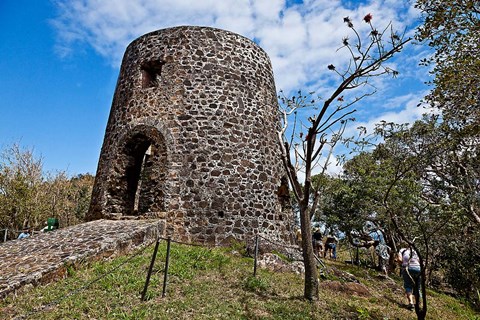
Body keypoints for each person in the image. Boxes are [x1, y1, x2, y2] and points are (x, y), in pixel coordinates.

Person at [397, 245, 421, 310]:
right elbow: (420, 261)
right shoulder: (415, 251)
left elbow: (399, 259)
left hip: (407, 269)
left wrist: (401, 264)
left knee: (408, 286)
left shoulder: (402, 250)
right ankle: (418, 304)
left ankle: (411, 303)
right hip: (418, 269)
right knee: (417, 287)